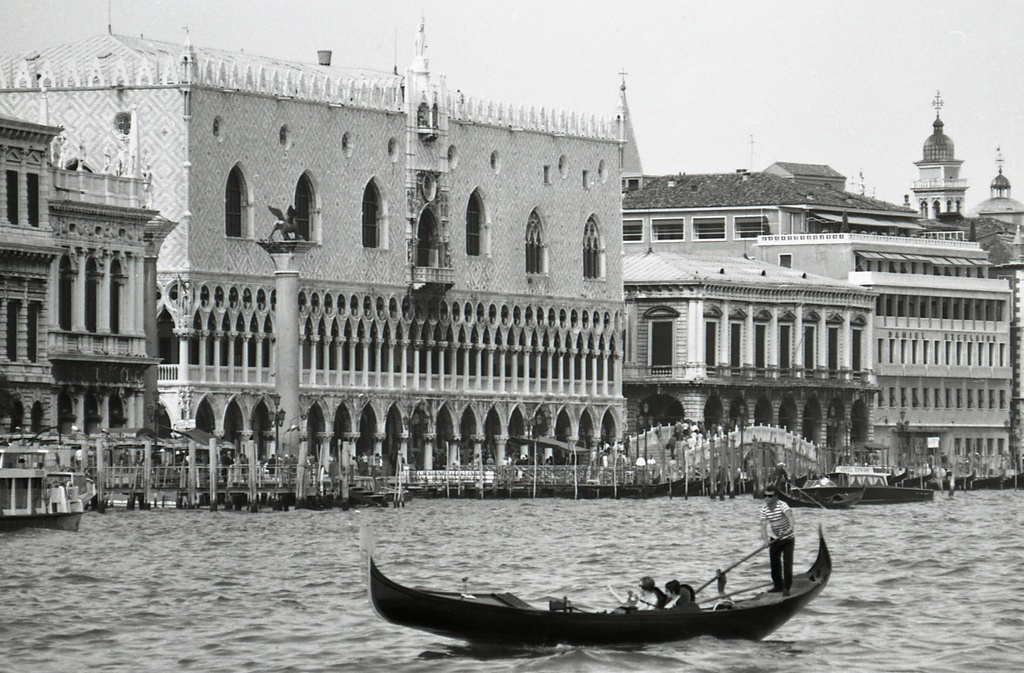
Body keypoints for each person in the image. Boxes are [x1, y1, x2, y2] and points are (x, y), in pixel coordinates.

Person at [759, 487, 795, 595]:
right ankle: (778, 586)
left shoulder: (782, 505)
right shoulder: (764, 510)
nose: (767, 498)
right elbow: (763, 526)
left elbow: (789, 515)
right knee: (774, 565)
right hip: (775, 539)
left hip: (788, 538)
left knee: (787, 564)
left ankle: (787, 588)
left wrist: (791, 527)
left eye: (770, 496)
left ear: (775, 497)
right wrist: (765, 541)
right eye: (765, 496)